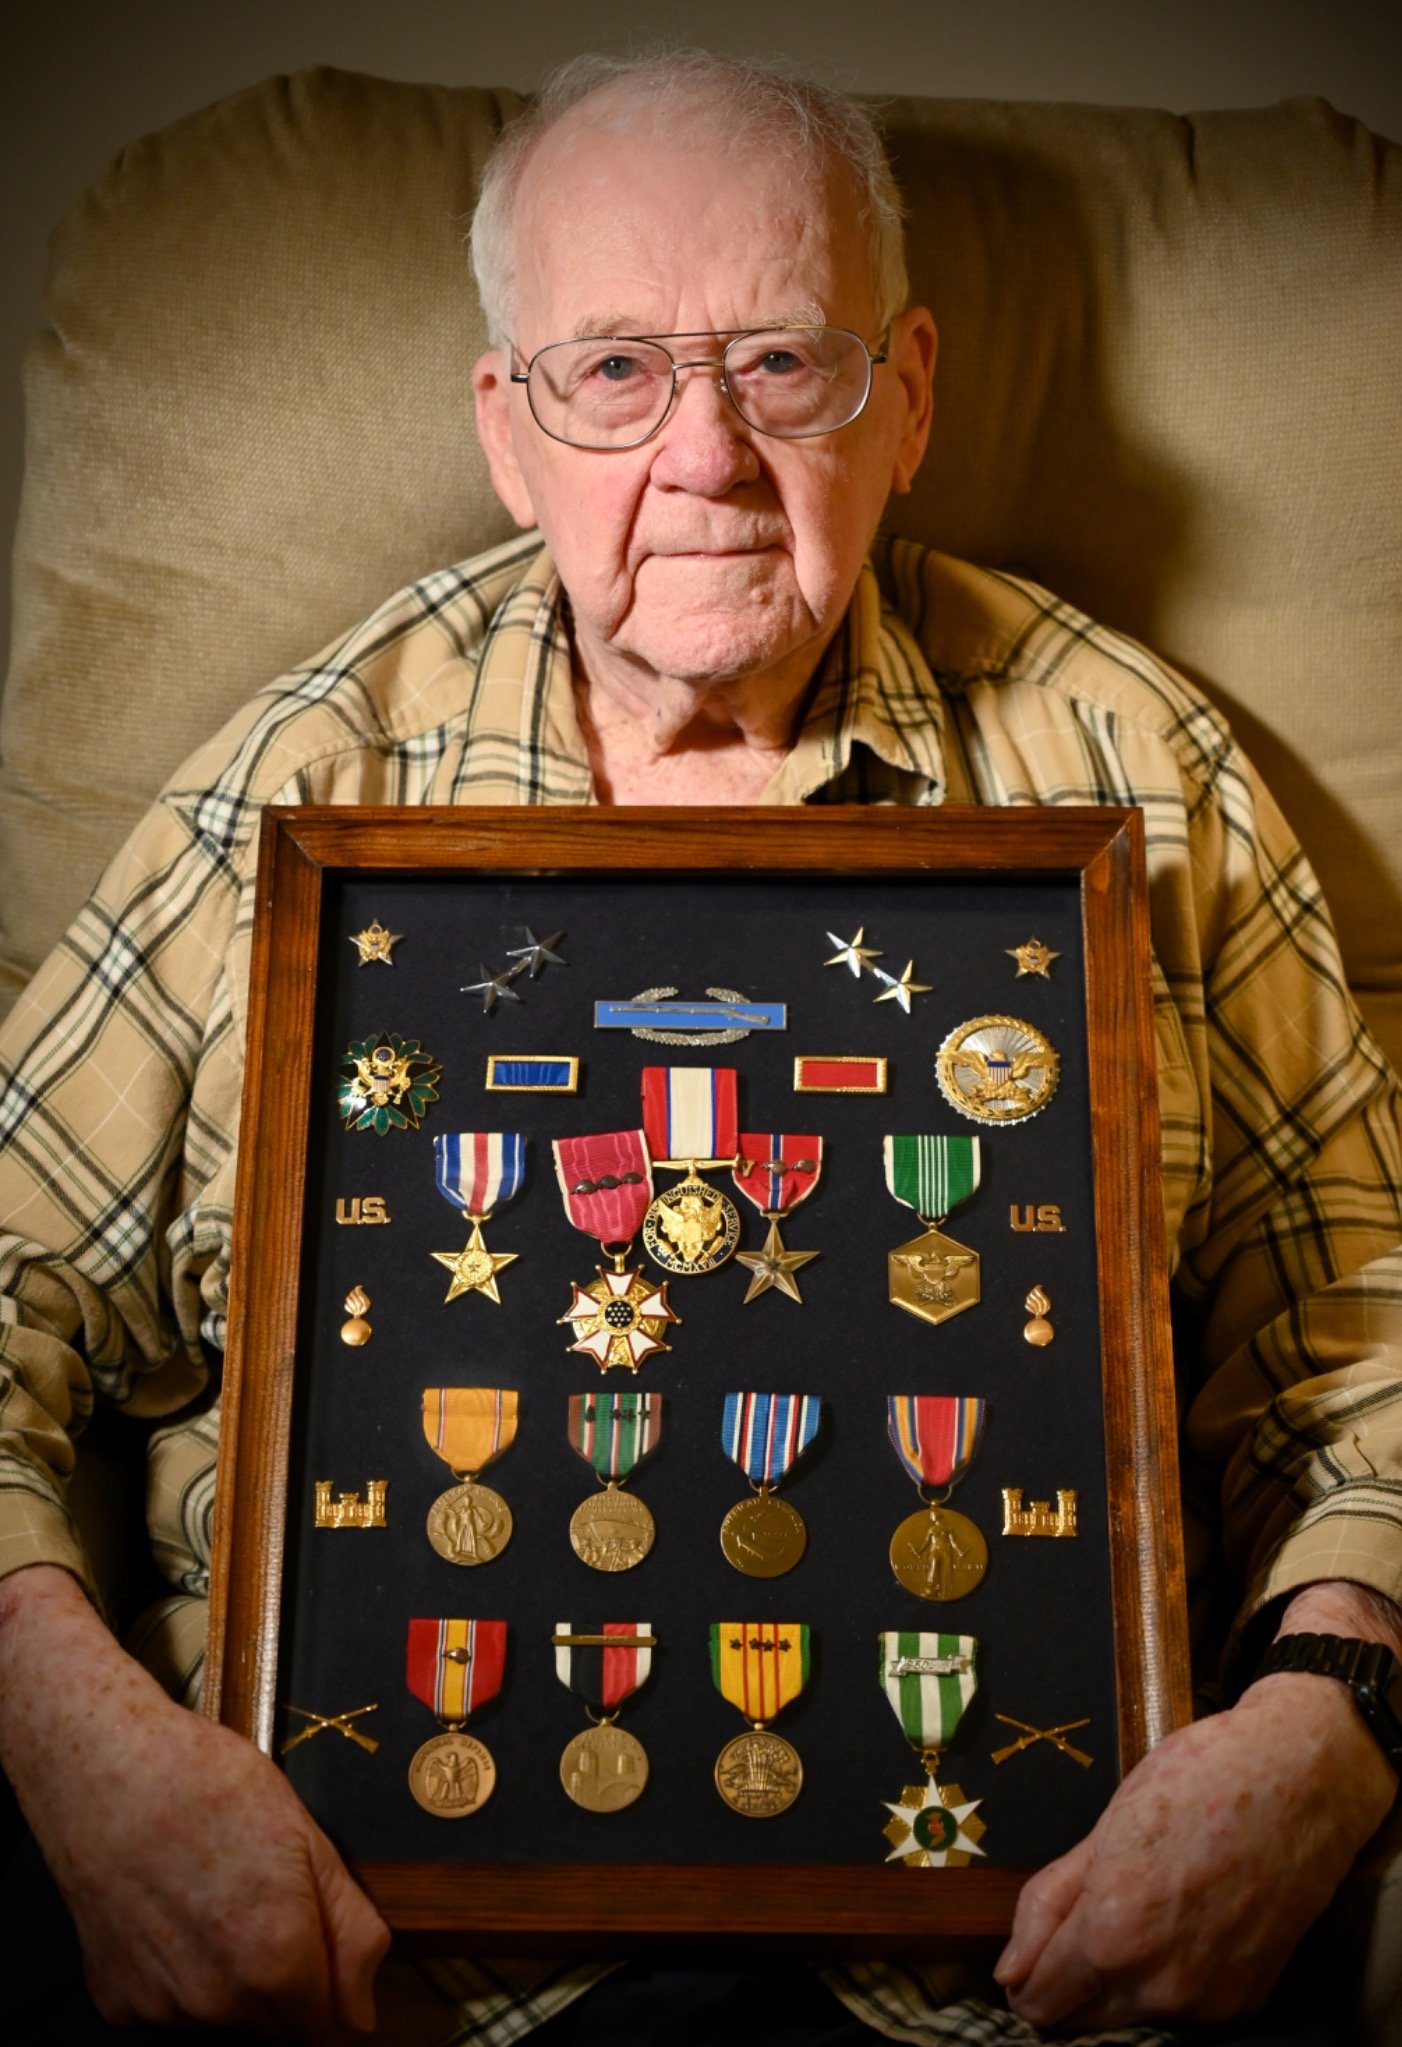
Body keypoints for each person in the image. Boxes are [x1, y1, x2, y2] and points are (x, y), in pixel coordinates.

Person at [1, 46, 1400, 2047]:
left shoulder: (1126, 769)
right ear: (508, 430)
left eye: (780, 367)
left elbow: (1366, 1336)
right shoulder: (311, 779)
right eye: (612, 374)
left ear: (903, 396)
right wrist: (75, 1749)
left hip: (1014, 1959)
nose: (707, 459)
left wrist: (1327, 1725)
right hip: (357, 1958)